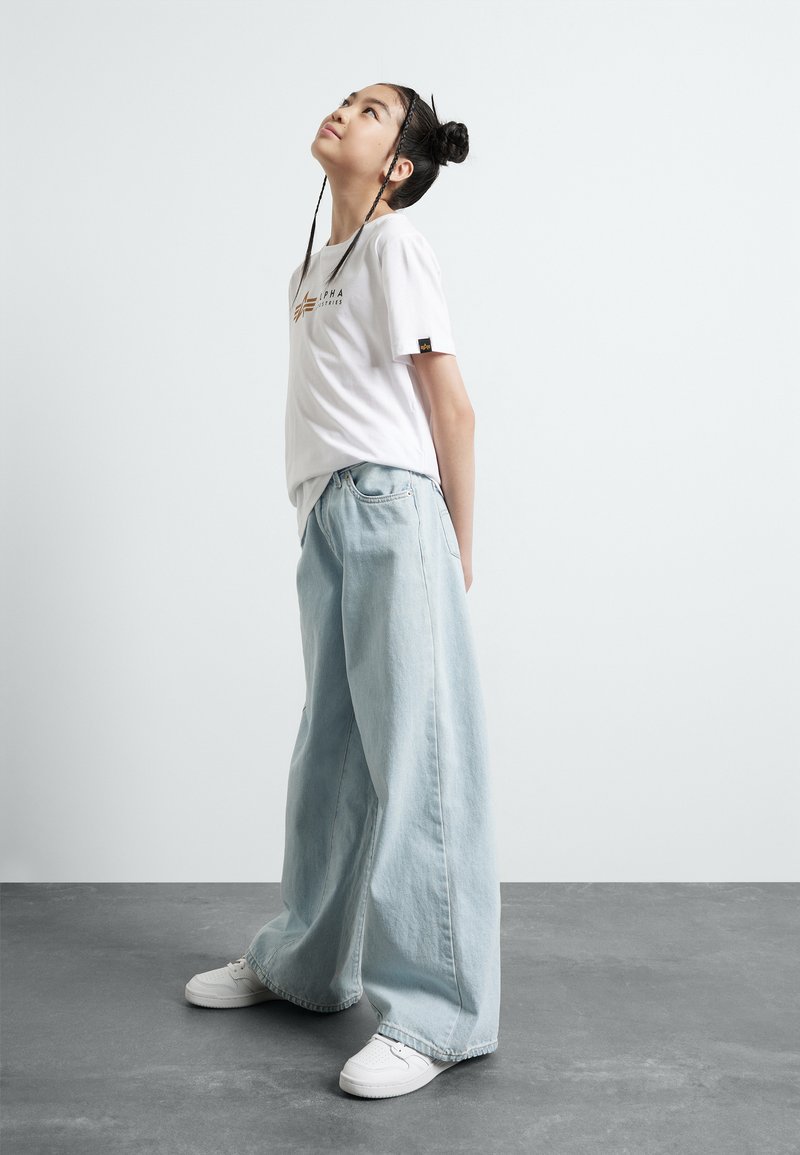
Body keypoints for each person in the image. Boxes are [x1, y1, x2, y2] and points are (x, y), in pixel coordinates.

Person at [185, 83, 501, 1100]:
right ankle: (309, 964)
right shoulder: (311, 269)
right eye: (347, 100)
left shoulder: (397, 244)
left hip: (393, 511)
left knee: (420, 759)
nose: (343, 112)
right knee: (332, 752)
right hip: (327, 515)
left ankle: (439, 1016)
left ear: (399, 165)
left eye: (370, 112)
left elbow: (451, 407)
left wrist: (456, 542)